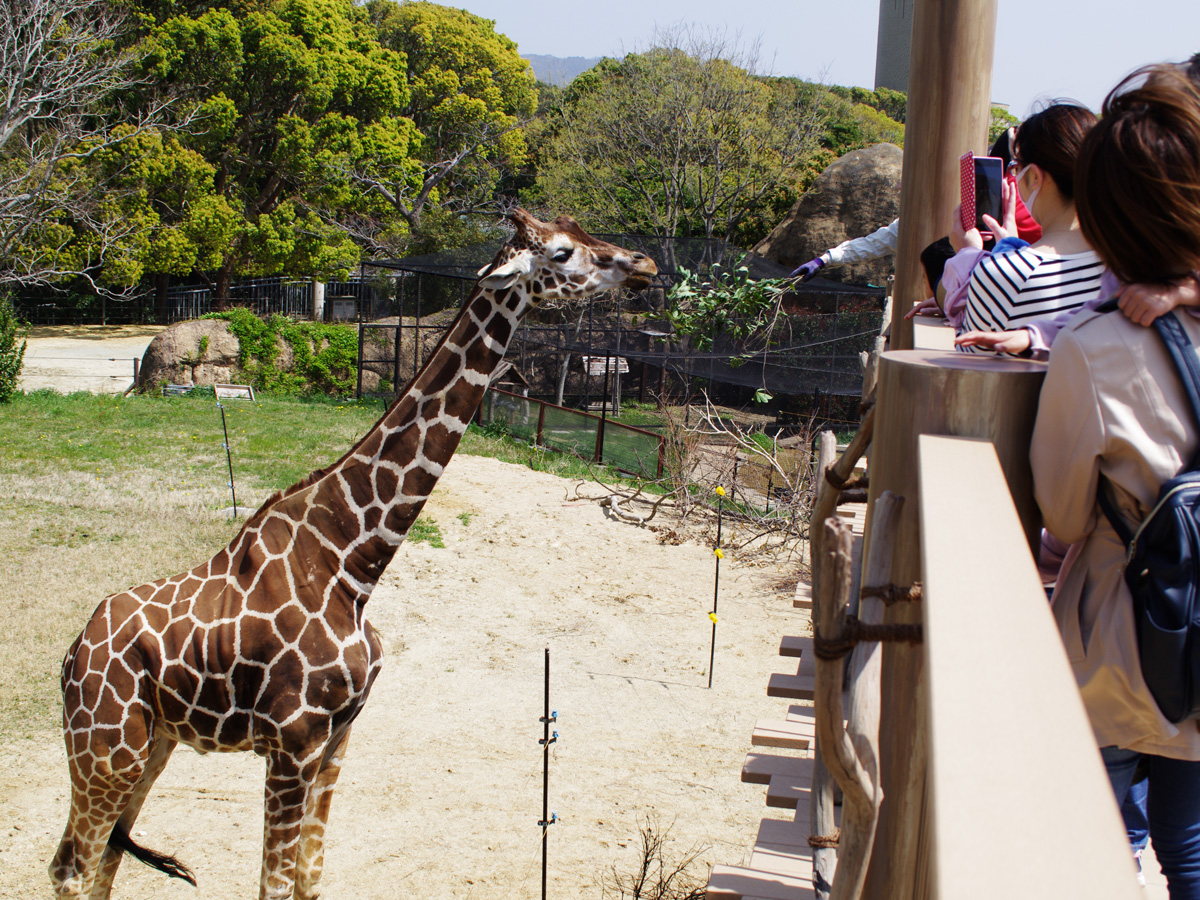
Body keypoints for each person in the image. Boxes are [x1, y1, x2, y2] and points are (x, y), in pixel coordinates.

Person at [1029, 66, 1200, 897]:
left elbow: (1061, 514)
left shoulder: (1096, 351)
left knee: (1096, 830)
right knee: (1192, 840)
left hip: (1124, 648)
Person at [944, 104, 1105, 351]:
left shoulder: (1002, 274)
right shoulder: (1124, 270)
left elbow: (968, 364)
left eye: (1016, 167)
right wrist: (1011, 247)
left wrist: (967, 255)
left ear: (1033, 177)